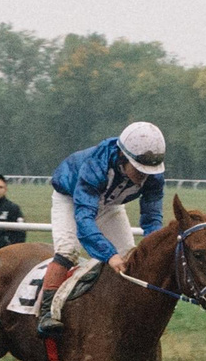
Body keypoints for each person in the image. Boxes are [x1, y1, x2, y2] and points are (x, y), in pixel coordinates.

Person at [35, 121, 166, 334]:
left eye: (148, 171)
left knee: (128, 257)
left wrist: (155, 249)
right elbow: (84, 219)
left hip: (110, 204)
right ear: (123, 157)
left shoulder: (153, 176)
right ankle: (46, 313)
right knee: (68, 250)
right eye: (139, 169)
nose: (144, 176)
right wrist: (109, 255)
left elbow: (152, 219)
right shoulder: (96, 165)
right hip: (72, 198)